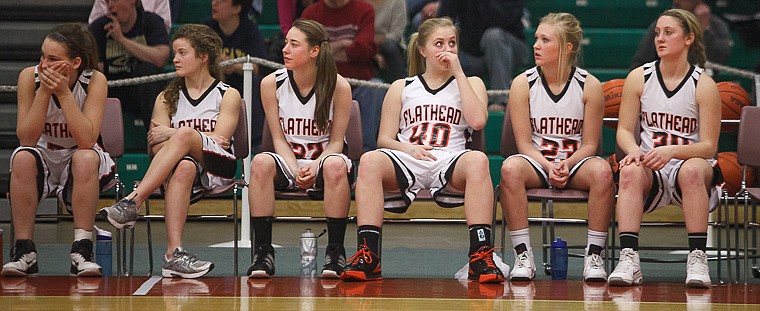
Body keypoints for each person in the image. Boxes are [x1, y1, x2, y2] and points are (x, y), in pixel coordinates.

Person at [340, 17, 504, 283]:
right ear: (422, 49)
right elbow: (384, 139)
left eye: (452, 44)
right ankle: (369, 254)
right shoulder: (401, 87)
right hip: (408, 158)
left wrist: (459, 72)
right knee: (370, 160)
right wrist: (409, 148)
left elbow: (478, 121)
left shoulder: (472, 83)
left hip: (450, 159)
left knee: (478, 160)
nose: (447, 50)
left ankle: (480, 255)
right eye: (438, 43)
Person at [99, 24, 241, 279]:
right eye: (174, 53)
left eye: (182, 53)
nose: (174, 59)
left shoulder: (227, 94)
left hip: (217, 168)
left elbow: (221, 141)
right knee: (185, 163)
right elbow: (155, 145)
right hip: (180, 171)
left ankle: (133, 201)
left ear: (203, 56)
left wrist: (175, 134)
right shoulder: (166, 97)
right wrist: (187, 142)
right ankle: (173, 255)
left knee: (184, 134)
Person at [607, 9, 722, 288]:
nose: (660, 38)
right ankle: (629, 258)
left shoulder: (704, 85)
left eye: (668, 32)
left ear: (688, 38)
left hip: (689, 169)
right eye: (658, 32)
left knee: (694, 169)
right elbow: (623, 130)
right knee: (630, 170)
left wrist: (672, 152)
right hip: (651, 170)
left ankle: (697, 258)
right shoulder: (639, 77)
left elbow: (709, 146)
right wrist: (633, 150)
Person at [498, 13, 614, 282]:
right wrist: (550, 166)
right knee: (510, 168)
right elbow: (523, 144)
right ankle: (523, 255)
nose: (536, 45)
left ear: (567, 47)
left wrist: (568, 164)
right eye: (536, 38)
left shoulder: (590, 85)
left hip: (576, 162)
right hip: (538, 161)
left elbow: (591, 145)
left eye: (545, 39)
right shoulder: (522, 83)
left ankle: (594, 255)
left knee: (603, 172)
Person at [2, 24, 115, 277]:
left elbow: (87, 139)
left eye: (53, 59)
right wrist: (44, 91)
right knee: (21, 157)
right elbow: (27, 137)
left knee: (85, 157)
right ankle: (24, 251)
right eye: (42, 56)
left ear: (75, 63)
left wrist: (64, 94)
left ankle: (82, 250)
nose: (43, 64)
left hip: (80, 156)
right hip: (43, 154)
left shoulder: (94, 80)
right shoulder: (28, 78)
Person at [246, 19, 353, 279]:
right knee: (260, 162)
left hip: (324, 160)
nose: (285, 49)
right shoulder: (271, 83)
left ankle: (335, 251)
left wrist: (315, 165)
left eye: (294, 45)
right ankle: (263, 253)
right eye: (286, 43)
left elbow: (337, 142)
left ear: (314, 51)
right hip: (288, 159)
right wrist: (294, 169)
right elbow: (277, 138)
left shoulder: (339, 86)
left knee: (337, 164)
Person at [301, 0, 385, 151]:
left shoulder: (364, 10)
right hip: (321, 84)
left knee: (376, 87)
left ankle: (364, 154)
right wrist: (344, 44)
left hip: (359, 84)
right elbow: (306, 52)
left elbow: (363, 50)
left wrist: (326, 49)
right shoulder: (311, 13)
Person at [89, 0, 170, 131]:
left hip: (143, 90)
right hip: (112, 89)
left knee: (148, 71)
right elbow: (96, 70)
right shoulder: (98, 28)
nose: (110, 6)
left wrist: (121, 39)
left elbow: (161, 58)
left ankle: (156, 139)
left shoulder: (151, 21)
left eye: (115, 1)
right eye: (108, 2)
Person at [437, 0, 529, 112]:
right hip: (471, 51)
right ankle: (441, 98)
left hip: (510, 48)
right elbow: (442, 20)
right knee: (443, 43)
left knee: (493, 36)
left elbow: (505, 19)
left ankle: (499, 99)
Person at [205, 0, 267, 152]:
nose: (214, 3)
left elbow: (258, 67)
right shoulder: (207, 29)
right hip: (216, 82)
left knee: (253, 82)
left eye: (221, 1)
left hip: (240, 84)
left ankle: (255, 142)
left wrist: (233, 66)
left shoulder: (250, 29)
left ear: (237, 8)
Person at [630, 0, 730, 70]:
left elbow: (718, 60)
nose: (676, 1)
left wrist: (705, 30)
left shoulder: (717, 26)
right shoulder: (662, 24)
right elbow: (640, 62)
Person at [365, 0, 408, 81]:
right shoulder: (357, 3)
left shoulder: (397, 2)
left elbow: (396, 34)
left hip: (390, 46)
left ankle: (402, 86)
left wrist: (371, 40)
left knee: (388, 46)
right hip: (364, 46)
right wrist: (374, 55)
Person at [89, 0, 172, 34]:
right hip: (109, 47)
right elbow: (95, 29)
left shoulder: (154, 21)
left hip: (147, 48)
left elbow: (163, 31)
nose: (110, 4)